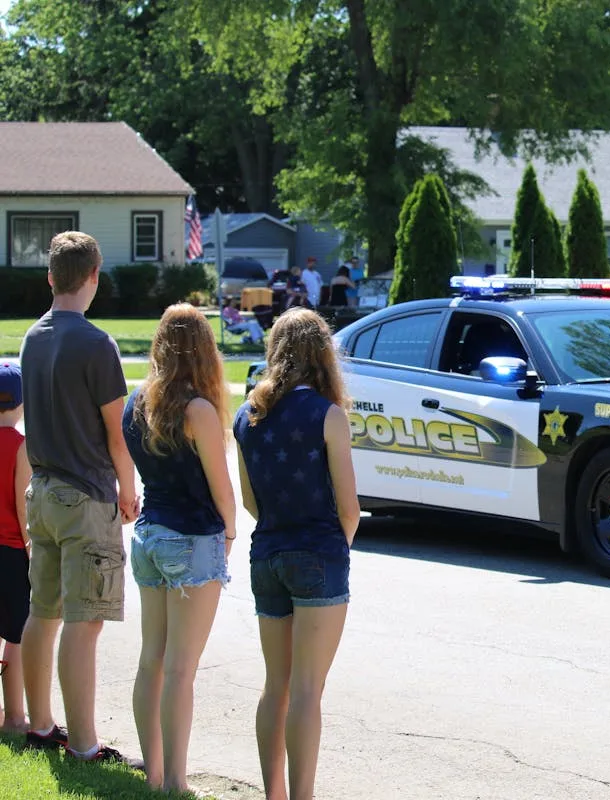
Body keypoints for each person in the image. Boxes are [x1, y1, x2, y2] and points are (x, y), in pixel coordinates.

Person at [19, 231, 141, 764]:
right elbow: (118, 433)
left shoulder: (31, 336)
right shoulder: (97, 343)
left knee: (42, 612)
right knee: (85, 621)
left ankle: (41, 725)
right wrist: (130, 488)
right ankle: (85, 744)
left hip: (41, 492)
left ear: (51, 277)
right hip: (86, 496)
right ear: (93, 278)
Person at [233, 308, 358, 800]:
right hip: (318, 554)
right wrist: (334, 554)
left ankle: (274, 795)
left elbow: (249, 501)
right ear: (322, 355)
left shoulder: (248, 413)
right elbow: (350, 508)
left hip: (267, 554)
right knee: (308, 689)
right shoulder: (329, 416)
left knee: (276, 686)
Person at [124, 304, 236, 793]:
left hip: (149, 536)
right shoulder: (199, 410)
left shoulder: (136, 402)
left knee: (153, 658)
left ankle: (152, 776)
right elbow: (221, 489)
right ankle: (175, 781)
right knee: (181, 668)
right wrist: (231, 535)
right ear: (204, 352)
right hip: (192, 540)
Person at [0, 363, 31, 734]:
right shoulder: (21, 446)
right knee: (18, 635)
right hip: (10, 551)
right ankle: (15, 717)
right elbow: (24, 505)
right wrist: (31, 548)